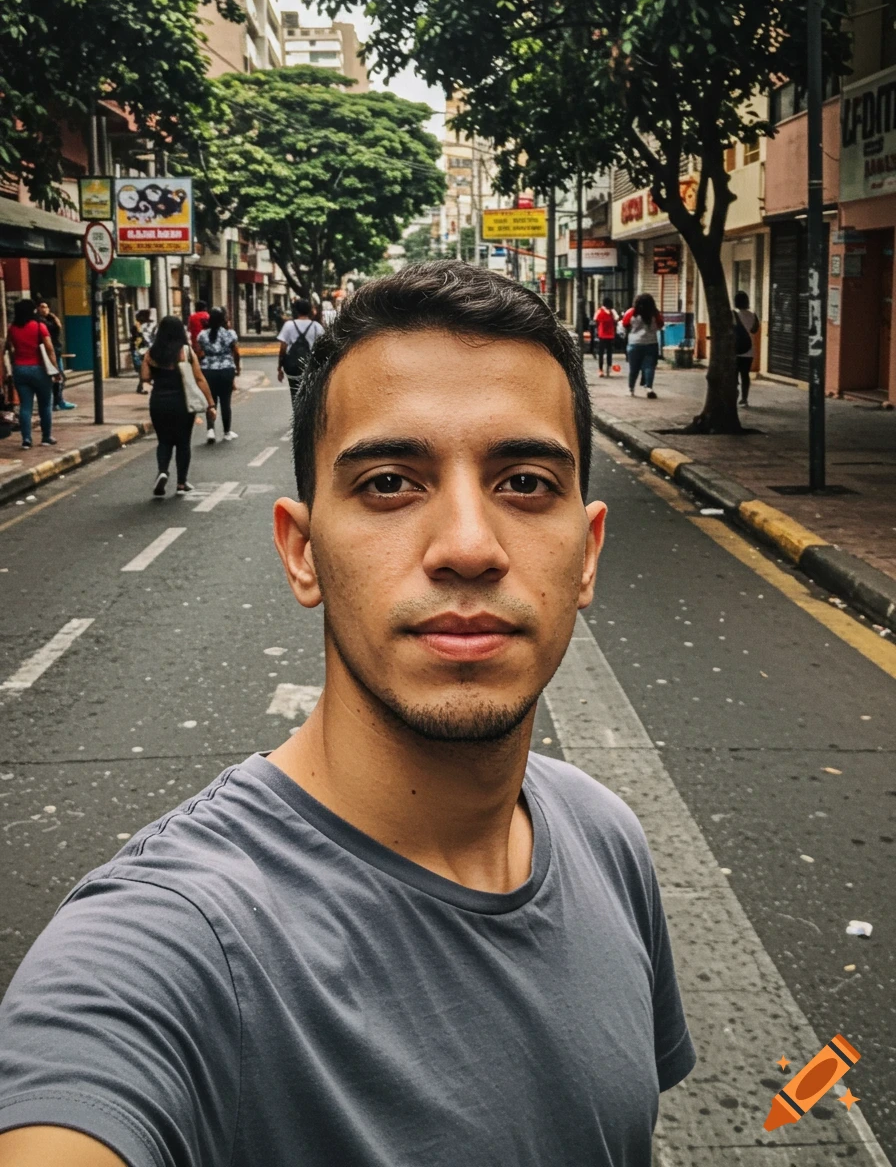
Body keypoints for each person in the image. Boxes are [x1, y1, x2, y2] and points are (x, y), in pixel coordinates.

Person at [0, 261, 695, 1167]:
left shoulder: (605, 839)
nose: (469, 548)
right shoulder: (173, 948)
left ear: (588, 553)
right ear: (302, 552)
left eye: (524, 483)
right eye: (389, 484)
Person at [140, 314, 215, 497]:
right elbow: (199, 378)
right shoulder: (186, 352)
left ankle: (163, 471)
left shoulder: (152, 353)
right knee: (183, 442)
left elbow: (145, 377)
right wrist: (210, 404)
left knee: (164, 441)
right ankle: (182, 483)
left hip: (158, 402)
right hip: (182, 403)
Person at [3, 299, 60, 448]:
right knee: (45, 404)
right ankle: (46, 437)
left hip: (20, 370)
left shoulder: (12, 328)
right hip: (39, 369)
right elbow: (49, 349)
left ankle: (26, 439)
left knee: (25, 406)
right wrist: (55, 369)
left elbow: (8, 348)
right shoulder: (40, 326)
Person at [197, 306, 241, 442]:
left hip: (208, 370)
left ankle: (210, 430)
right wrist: (237, 368)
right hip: (226, 369)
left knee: (211, 401)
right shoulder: (230, 334)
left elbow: (199, 353)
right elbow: (236, 353)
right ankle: (227, 432)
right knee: (225, 402)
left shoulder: (202, 335)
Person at [277, 296, 325, 403]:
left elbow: (283, 348)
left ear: (296, 310)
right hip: (311, 367)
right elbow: (323, 347)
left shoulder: (288, 326)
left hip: (293, 368)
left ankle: (297, 416)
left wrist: (279, 367)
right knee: (311, 397)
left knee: (295, 395)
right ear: (309, 311)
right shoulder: (317, 327)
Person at [623, 294, 664, 399]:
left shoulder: (631, 312)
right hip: (651, 343)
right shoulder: (655, 313)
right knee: (649, 367)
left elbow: (624, 324)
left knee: (633, 369)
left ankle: (630, 389)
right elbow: (660, 325)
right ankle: (649, 388)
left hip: (634, 344)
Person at [734, 290, 760, 407]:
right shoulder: (753, 315)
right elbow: (754, 330)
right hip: (748, 350)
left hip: (735, 350)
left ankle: (734, 396)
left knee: (733, 375)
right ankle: (744, 399)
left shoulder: (733, 314)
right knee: (745, 375)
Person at [130, 310, 154, 395]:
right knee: (142, 368)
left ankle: (141, 385)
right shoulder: (137, 326)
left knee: (143, 368)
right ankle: (142, 386)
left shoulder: (144, 326)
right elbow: (137, 337)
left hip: (142, 350)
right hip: (139, 350)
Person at [595, 301, 618, 377]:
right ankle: (608, 368)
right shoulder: (612, 311)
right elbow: (617, 319)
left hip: (602, 334)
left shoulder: (599, 311)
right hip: (609, 334)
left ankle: (601, 370)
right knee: (609, 353)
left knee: (601, 353)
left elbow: (595, 320)